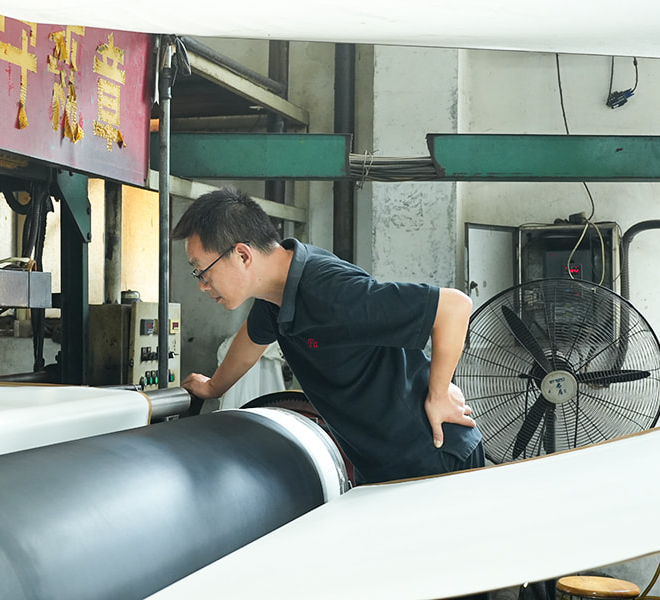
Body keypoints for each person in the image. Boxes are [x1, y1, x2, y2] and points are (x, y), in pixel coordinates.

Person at [173, 187, 485, 487]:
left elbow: (454, 307)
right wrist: (213, 387)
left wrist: (438, 394)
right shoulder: (274, 297)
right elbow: (249, 342)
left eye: (202, 271)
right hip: (381, 463)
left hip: (429, 455)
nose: (202, 284)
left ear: (242, 255)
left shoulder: (329, 290)